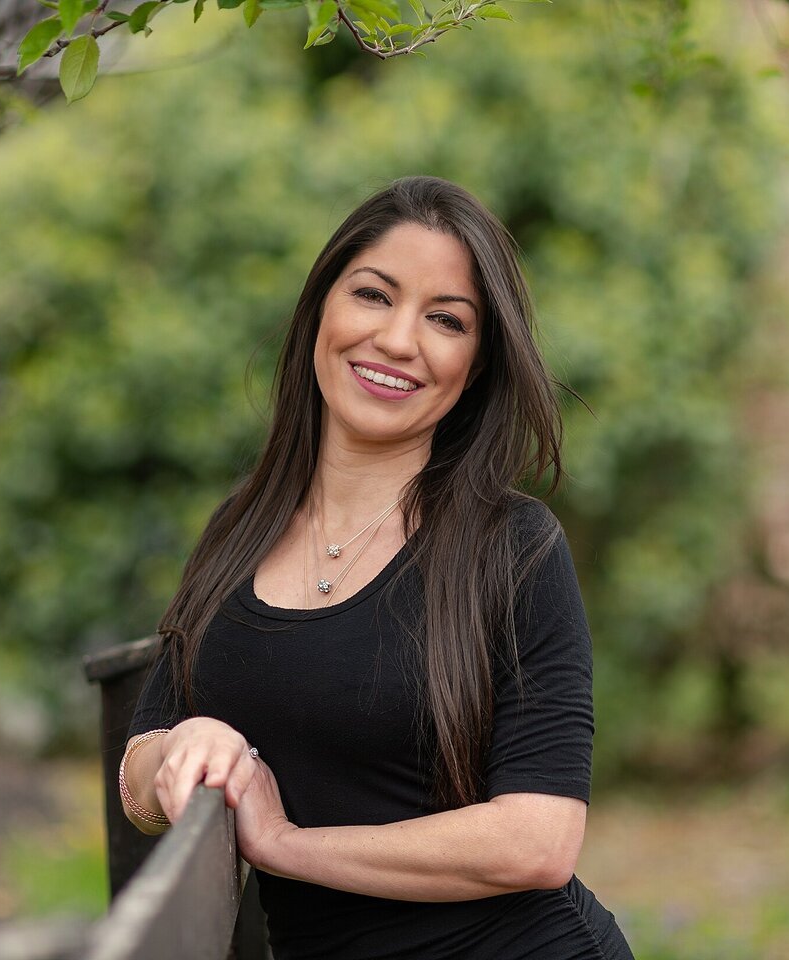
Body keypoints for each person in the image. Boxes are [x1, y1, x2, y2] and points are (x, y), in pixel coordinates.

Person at [119, 176, 635, 960]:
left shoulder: (513, 547)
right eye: (373, 295)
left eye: (445, 320)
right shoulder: (241, 528)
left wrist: (286, 845)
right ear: (322, 308)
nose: (398, 341)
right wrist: (188, 744)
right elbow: (138, 769)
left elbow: (539, 839)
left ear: (475, 365)